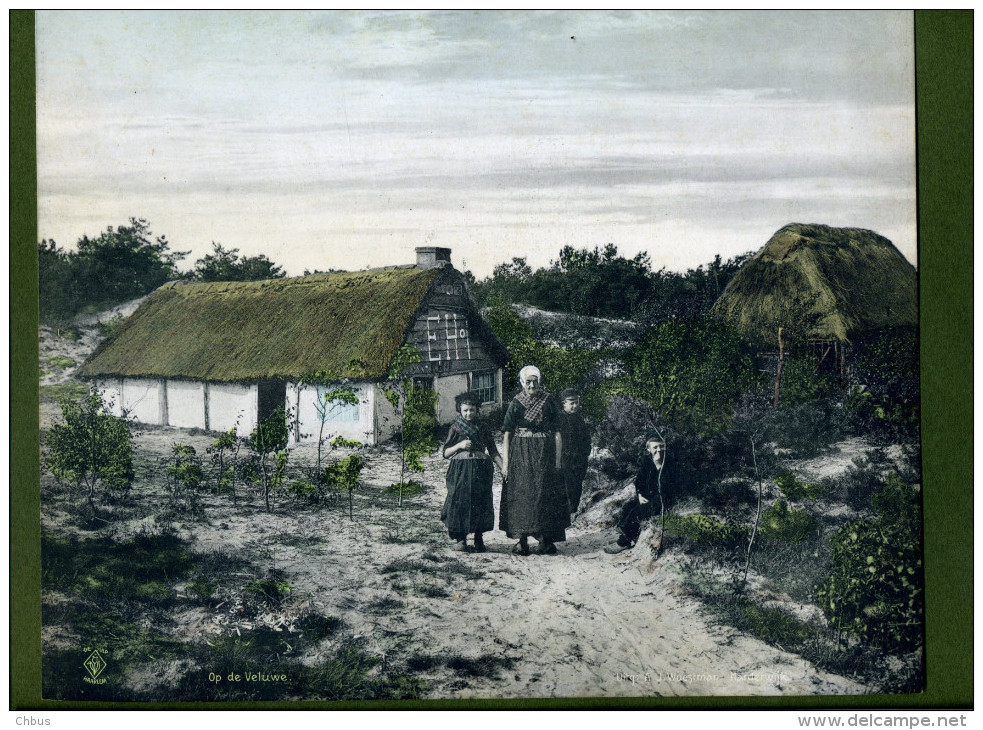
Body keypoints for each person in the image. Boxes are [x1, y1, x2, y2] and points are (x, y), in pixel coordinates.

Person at [500, 365, 569, 556]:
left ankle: (544, 541)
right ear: (522, 383)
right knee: (522, 494)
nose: (532, 385)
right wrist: (506, 464)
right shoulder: (515, 403)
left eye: (535, 381)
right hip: (520, 454)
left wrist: (557, 461)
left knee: (543, 494)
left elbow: (557, 433)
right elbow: (507, 434)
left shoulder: (548, 401)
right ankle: (522, 542)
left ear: (539, 382)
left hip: (544, 454)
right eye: (528, 382)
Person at [441, 392, 503, 553]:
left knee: (480, 501)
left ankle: (478, 538)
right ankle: (461, 539)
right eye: (465, 410)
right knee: (459, 500)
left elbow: (493, 451)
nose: (469, 413)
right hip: (460, 471)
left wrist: (503, 468)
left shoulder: (483, 427)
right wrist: (459, 446)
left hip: (481, 470)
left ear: (477, 410)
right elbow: (446, 453)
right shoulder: (455, 427)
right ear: (460, 411)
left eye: (472, 410)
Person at [604, 431, 673, 554]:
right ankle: (632, 536)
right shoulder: (647, 462)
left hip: (662, 498)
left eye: (661, 446)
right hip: (648, 496)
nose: (659, 450)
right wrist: (640, 495)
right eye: (655, 447)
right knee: (628, 506)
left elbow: (667, 487)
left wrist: (658, 464)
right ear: (649, 449)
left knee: (637, 512)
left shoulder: (669, 463)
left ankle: (623, 543)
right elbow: (639, 482)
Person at [557, 388, 591, 518]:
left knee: (577, 485)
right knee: (565, 486)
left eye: (576, 402)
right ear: (563, 403)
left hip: (579, 460)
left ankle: (573, 512)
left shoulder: (580, 419)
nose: (575, 405)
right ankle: (565, 514)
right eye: (571, 402)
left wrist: (585, 453)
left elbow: (586, 439)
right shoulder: (559, 420)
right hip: (564, 460)